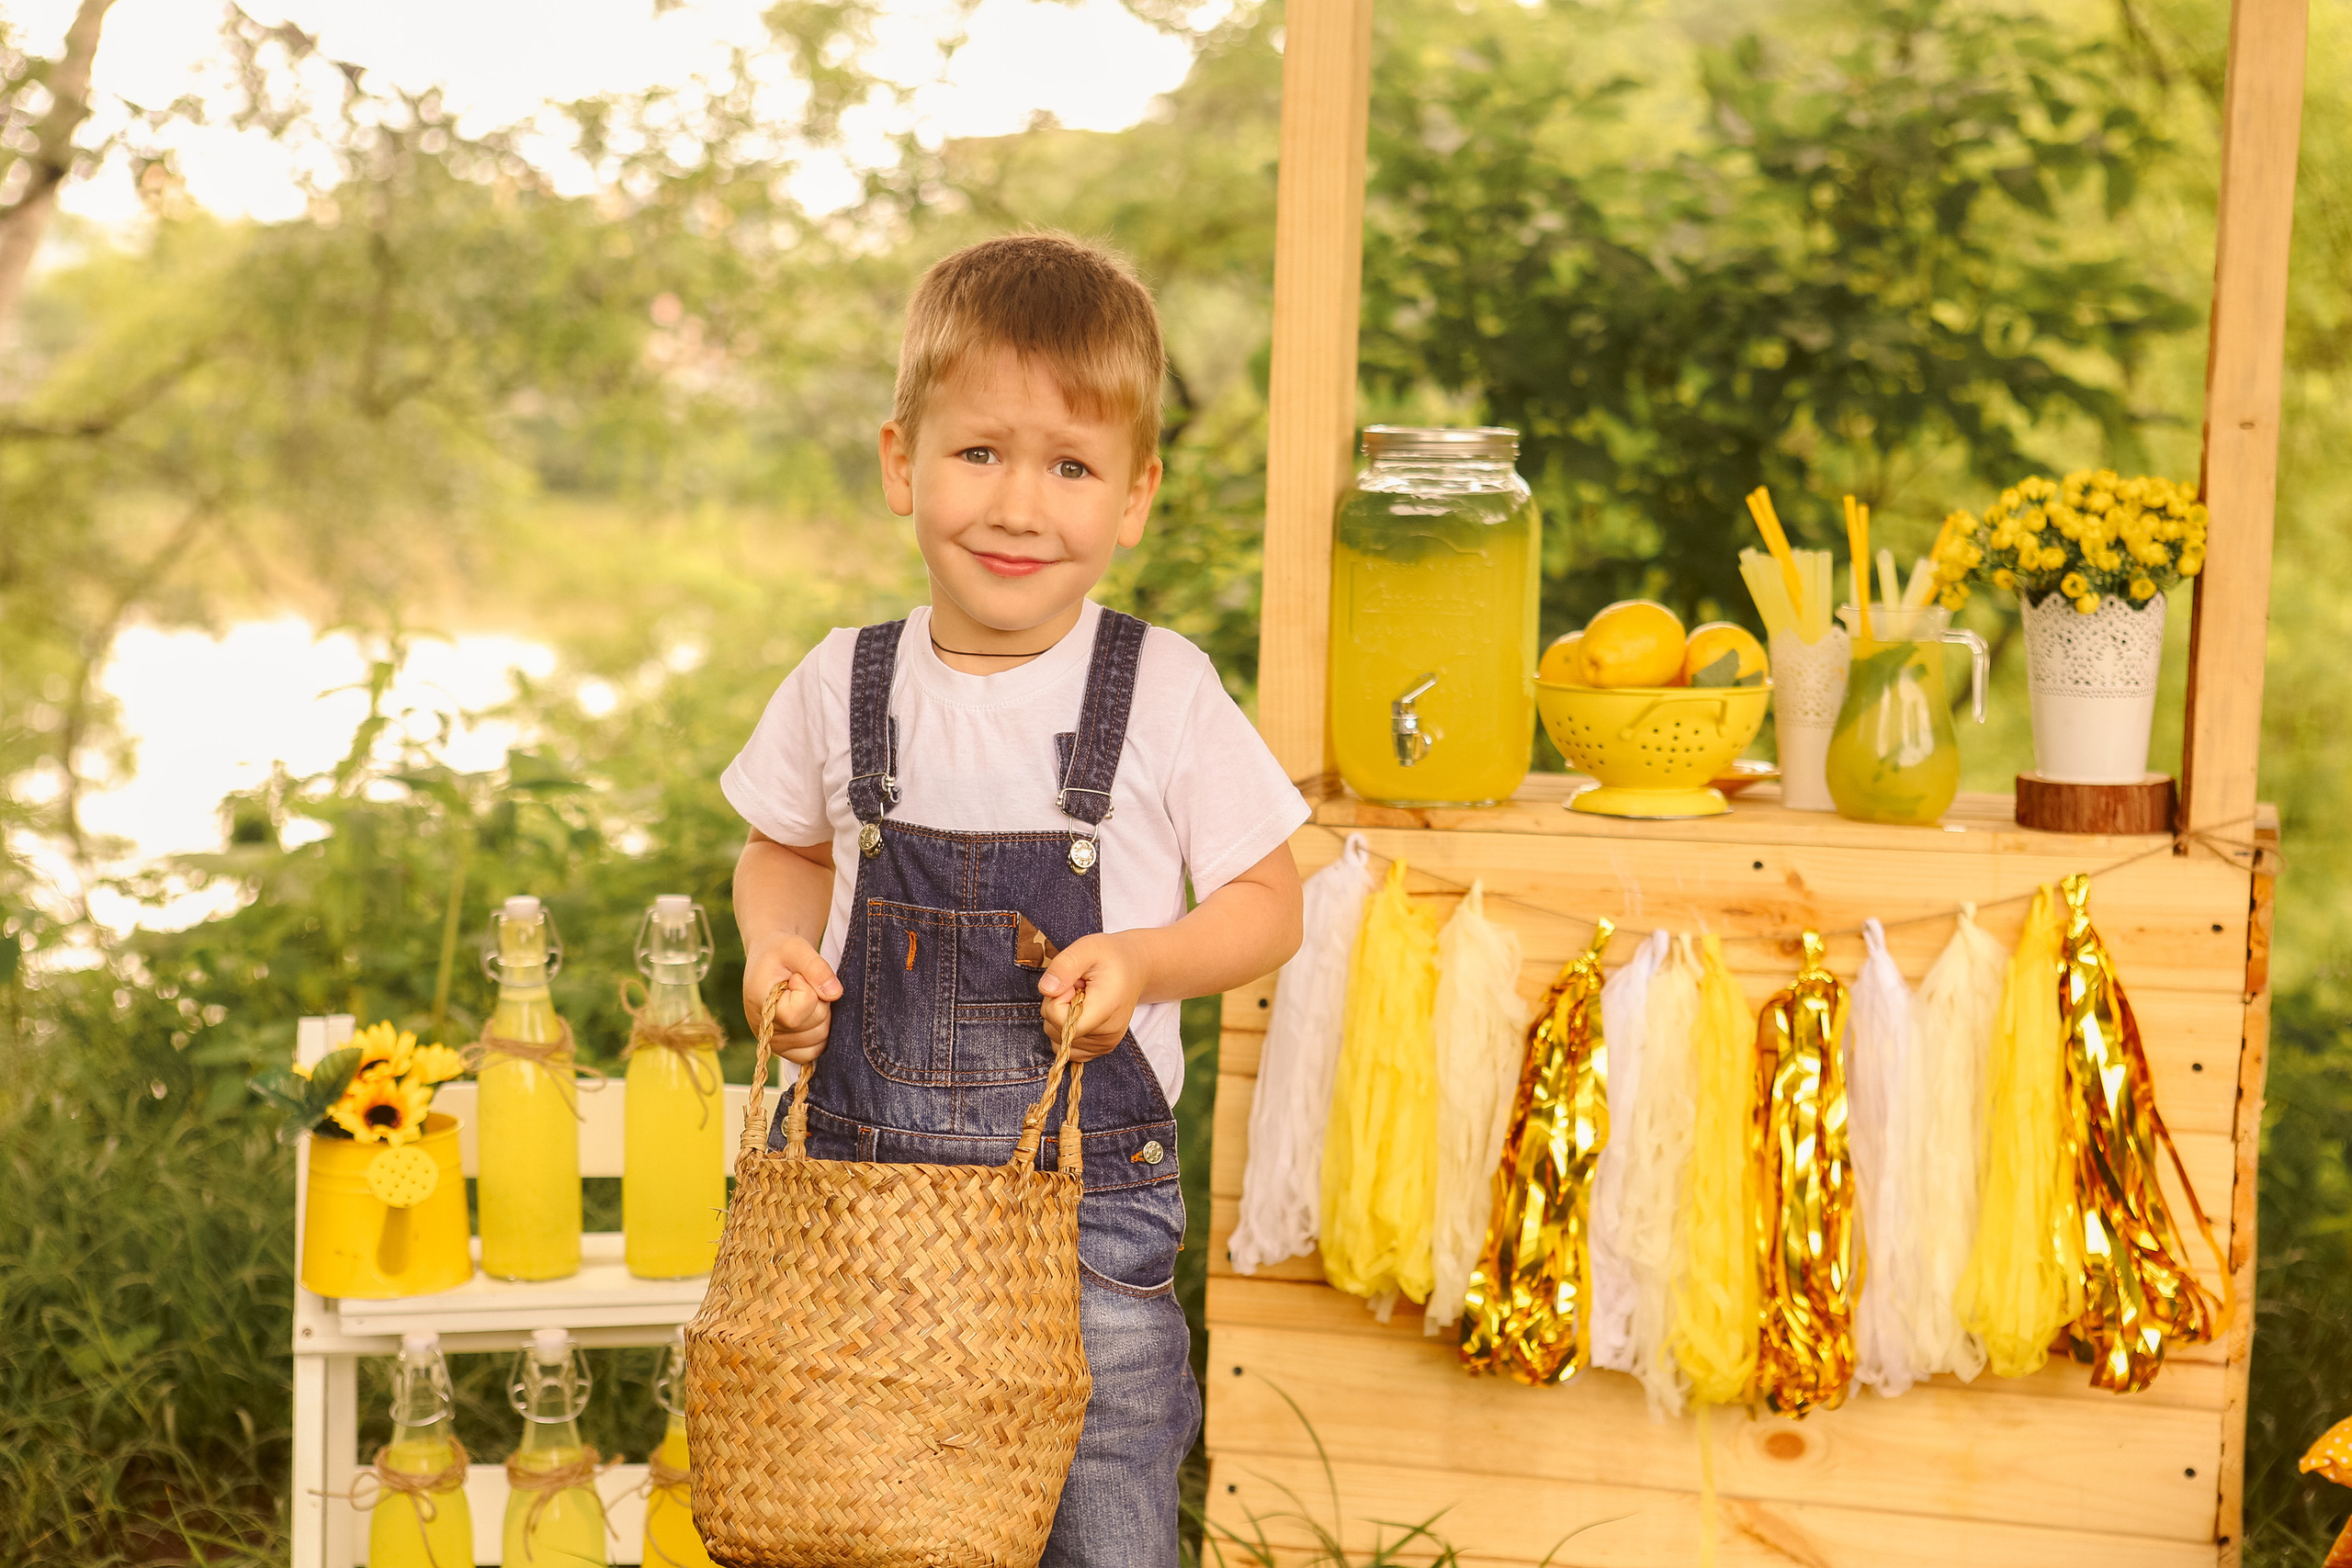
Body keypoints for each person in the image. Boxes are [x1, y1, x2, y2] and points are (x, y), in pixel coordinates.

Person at [721, 230, 1308, 1565]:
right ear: (901, 463)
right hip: (860, 1212)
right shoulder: (843, 682)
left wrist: (1149, 963)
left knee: (1103, 1516)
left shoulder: (1162, 688)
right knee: (866, 1520)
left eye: (1072, 466)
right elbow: (786, 850)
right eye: (980, 452)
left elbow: (1269, 899)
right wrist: (776, 953)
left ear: (1136, 496)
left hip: (1086, 1220)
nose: (1020, 505)